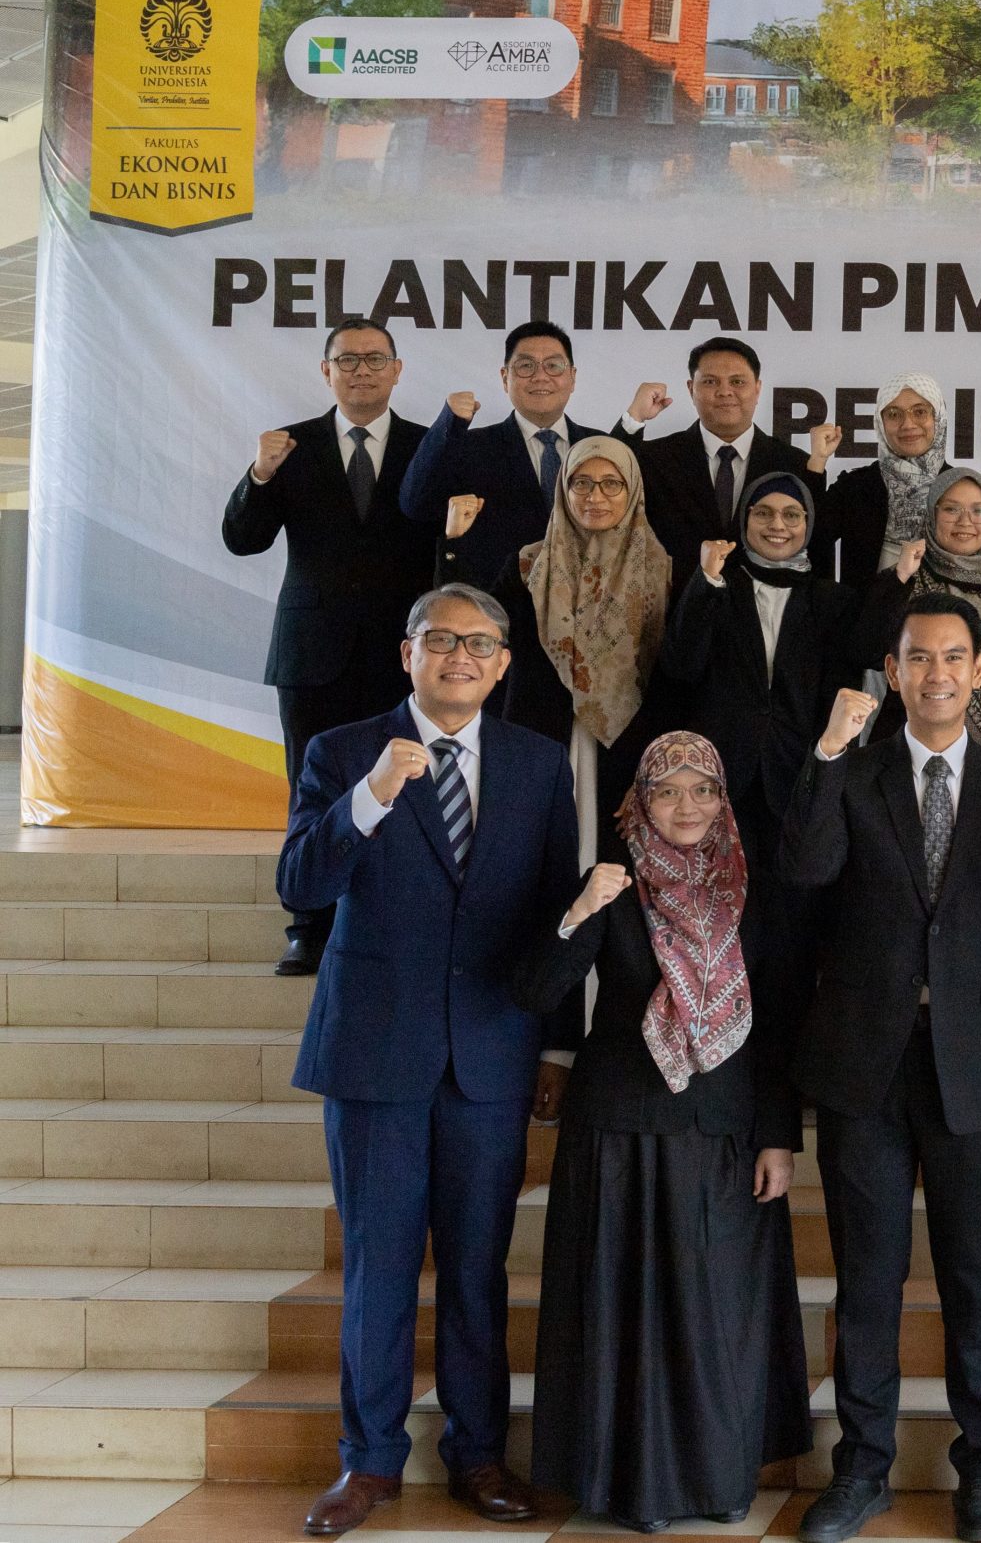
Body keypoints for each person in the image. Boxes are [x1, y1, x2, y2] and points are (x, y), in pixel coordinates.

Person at [278, 583, 579, 1537]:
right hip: (376, 1054)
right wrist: (369, 800)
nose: (460, 656)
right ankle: (368, 1461)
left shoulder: (538, 763)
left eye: (480, 643)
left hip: (492, 1053)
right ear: (407, 652)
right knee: (379, 1266)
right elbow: (300, 881)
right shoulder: (341, 752)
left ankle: (477, 1454)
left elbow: (557, 915)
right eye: (441, 639)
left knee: (478, 1267)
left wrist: (558, 1043)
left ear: (503, 663)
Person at [778, 601, 981, 1543]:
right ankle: (862, 1468)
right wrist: (827, 749)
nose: (936, 673)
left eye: (953, 657)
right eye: (917, 657)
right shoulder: (851, 773)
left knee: (974, 1281)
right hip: (864, 1063)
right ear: (892, 671)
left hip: (976, 1070)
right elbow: (804, 868)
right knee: (868, 1279)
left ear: (979, 669)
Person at [513, 732, 809, 1534]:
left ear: (723, 799)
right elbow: (535, 989)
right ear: (639, 800)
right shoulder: (613, 882)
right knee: (628, 1320)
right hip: (620, 1132)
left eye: (702, 789)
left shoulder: (750, 887)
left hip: (726, 1133)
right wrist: (578, 911)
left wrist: (779, 1136)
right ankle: (633, 1489)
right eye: (668, 790)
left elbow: (778, 1022)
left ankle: (719, 1477)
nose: (687, 806)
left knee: (717, 1318)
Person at [222, 316, 437, 976]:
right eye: (348, 360)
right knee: (312, 789)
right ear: (326, 371)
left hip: (405, 656)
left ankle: (390, 916)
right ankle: (307, 925)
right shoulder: (290, 446)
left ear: (397, 370)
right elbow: (242, 539)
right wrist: (259, 474)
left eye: (375, 359)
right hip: (312, 654)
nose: (361, 370)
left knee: (404, 787)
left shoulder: (429, 447)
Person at [444, 435, 671, 863]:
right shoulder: (528, 565)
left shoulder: (661, 570)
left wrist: (658, 769)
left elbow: (671, 675)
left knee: (612, 869)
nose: (594, 496)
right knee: (536, 862)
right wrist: (454, 544)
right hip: (538, 737)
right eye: (580, 483)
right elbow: (471, 627)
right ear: (563, 489)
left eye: (611, 483)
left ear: (633, 491)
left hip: (626, 749)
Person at [658, 473, 864, 863]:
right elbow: (681, 666)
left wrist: (822, 769)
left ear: (808, 524)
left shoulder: (833, 601)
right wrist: (706, 580)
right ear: (745, 520)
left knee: (792, 891)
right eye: (764, 513)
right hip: (718, 776)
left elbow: (837, 693)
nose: (777, 525)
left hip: (797, 776)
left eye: (791, 514)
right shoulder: (718, 586)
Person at [397, 319, 631, 589]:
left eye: (553, 365)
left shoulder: (598, 445)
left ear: (572, 377)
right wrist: (448, 424)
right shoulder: (470, 446)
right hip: (500, 605)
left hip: (590, 600)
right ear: (505, 377)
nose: (540, 376)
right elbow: (415, 504)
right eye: (526, 366)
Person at [862, 468, 981, 757]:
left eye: (979, 511)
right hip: (904, 752)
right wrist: (899, 579)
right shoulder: (905, 579)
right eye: (951, 509)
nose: (965, 521)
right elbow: (866, 652)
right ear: (931, 515)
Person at [618, 337, 807, 594]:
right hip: (676, 608)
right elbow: (608, 475)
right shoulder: (655, 459)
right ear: (690, 388)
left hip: (765, 610)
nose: (725, 392)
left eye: (737, 382)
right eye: (710, 382)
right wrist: (634, 417)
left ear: (757, 388)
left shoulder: (794, 463)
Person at [808, 370, 948, 581]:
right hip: (869, 603)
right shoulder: (856, 487)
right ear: (880, 423)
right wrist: (817, 460)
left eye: (920, 412)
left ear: (938, 417)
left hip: (948, 604)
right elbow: (807, 539)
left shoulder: (959, 487)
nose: (908, 424)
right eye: (894, 414)